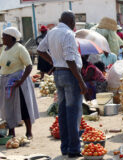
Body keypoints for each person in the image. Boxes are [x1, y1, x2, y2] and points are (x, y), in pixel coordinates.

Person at [37, 11, 87, 158]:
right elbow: (70, 59)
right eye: (74, 22)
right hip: (70, 74)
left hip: (59, 74)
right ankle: (73, 149)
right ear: (71, 21)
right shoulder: (68, 33)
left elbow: (40, 50)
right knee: (73, 113)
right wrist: (80, 80)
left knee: (63, 113)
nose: (74, 25)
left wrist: (54, 61)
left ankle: (65, 147)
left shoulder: (52, 32)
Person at [0, 27, 39, 139]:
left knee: (23, 106)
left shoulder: (20, 48)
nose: (2, 38)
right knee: (7, 108)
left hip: (17, 82)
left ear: (11, 37)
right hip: (5, 81)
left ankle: (29, 132)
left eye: (4, 36)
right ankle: (11, 132)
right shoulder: (4, 49)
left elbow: (29, 66)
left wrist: (21, 81)